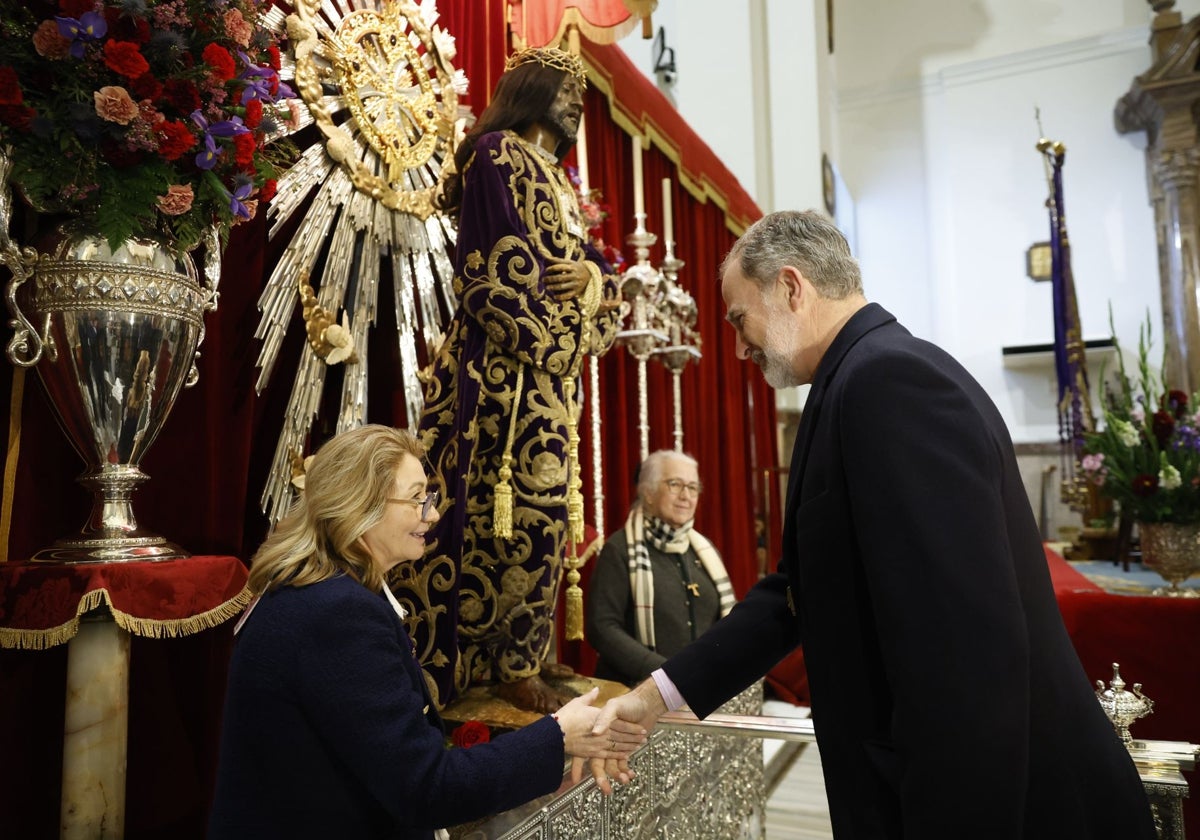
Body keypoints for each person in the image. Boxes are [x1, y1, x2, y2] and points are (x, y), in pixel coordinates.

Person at [589, 210, 1156, 836]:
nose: (737, 345)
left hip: (1004, 807)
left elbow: (967, 653)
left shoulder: (889, 383)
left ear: (790, 287)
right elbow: (797, 593)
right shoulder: (854, 380)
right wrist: (655, 697)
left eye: (737, 317)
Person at [208, 425, 643, 840]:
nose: (432, 514)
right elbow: (425, 788)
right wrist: (558, 734)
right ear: (361, 505)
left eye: (430, 497)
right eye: (417, 499)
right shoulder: (336, 615)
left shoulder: (315, 593)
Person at [394, 46, 621, 714]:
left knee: (547, 521)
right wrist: (556, 342)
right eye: (564, 89)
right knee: (513, 514)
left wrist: (592, 282)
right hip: (501, 379)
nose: (577, 102)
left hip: (548, 382)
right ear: (531, 90)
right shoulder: (497, 154)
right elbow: (491, 272)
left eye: (580, 93)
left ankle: (520, 653)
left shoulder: (558, 180)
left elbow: (584, 275)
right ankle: (492, 662)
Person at [585, 450, 735, 685]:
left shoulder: (706, 551)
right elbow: (602, 628)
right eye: (675, 484)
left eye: (693, 487)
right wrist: (665, 674)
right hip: (633, 692)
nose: (686, 496)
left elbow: (723, 624)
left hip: (699, 690)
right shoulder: (619, 549)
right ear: (648, 492)